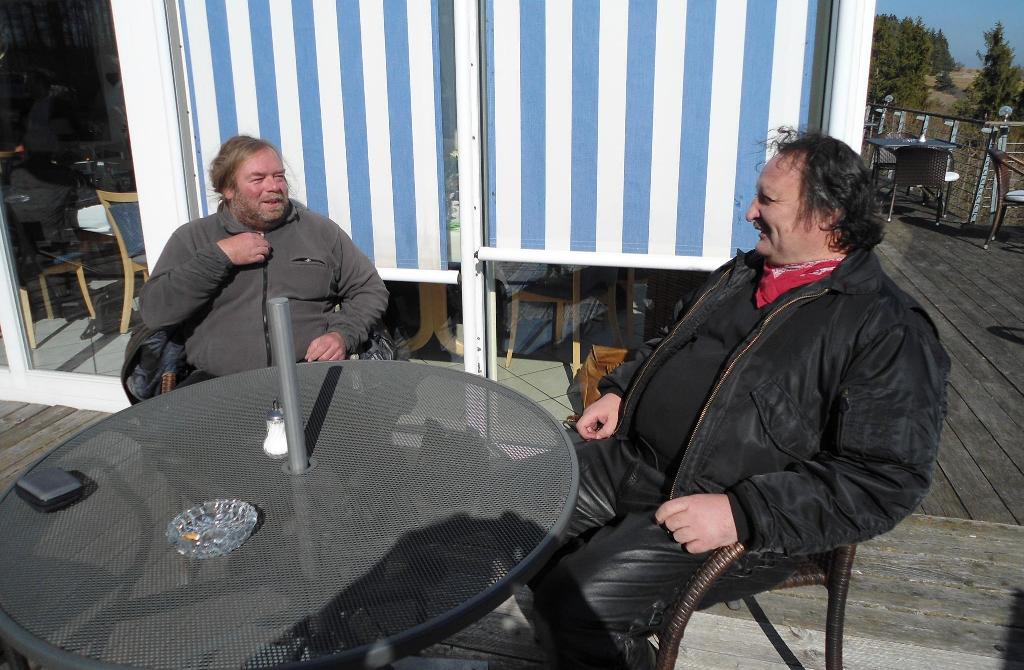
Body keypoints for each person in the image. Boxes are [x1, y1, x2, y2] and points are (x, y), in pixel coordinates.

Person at [530, 130, 950, 669]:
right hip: (631, 461)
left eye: (767, 201)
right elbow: (671, 344)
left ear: (827, 217)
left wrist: (743, 512)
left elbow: (887, 479)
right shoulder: (745, 273)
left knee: (574, 607)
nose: (750, 213)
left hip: (733, 515)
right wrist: (621, 391)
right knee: (516, 516)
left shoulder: (886, 328)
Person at [138, 135, 388, 383]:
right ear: (228, 189)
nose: (273, 187)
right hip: (217, 385)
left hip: (310, 376)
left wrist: (342, 334)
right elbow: (155, 312)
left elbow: (369, 288)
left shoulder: (320, 232)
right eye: (258, 179)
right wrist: (219, 256)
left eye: (279, 176)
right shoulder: (193, 238)